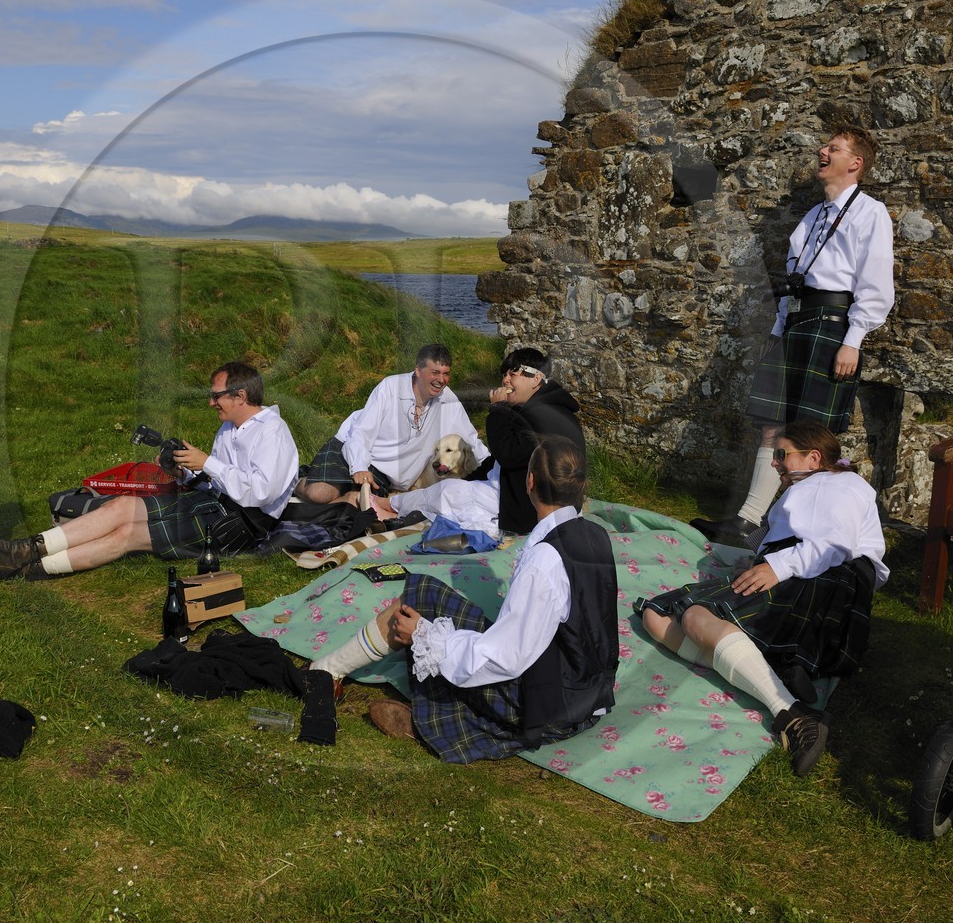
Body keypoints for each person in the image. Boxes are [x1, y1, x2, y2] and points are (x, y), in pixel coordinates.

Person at [312, 436, 617, 762]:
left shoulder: (545, 560)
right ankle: (417, 710)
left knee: (423, 597)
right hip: (588, 693)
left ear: (530, 481)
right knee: (441, 611)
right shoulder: (595, 534)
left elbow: (507, 657)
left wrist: (424, 636)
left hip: (546, 706)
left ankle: (324, 673)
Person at [641, 419, 889, 777]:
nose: (774, 463)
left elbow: (834, 545)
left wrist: (778, 568)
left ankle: (790, 712)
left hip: (823, 582)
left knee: (692, 618)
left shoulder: (837, 484)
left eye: (781, 454)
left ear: (813, 458)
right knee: (657, 617)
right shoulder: (815, 486)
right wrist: (763, 560)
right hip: (803, 574)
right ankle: (768, 671)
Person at [693, 123, 894, 546]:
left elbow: (876, 285)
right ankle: (748, 521)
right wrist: (780, 326)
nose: (823, 151)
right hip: (797, 323)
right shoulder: (813, 216)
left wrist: (853, 340)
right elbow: (793, 277)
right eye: (825, 146)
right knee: (772, 426)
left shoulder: (870, 212)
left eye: (833, 148)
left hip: (833, 324)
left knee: (810, 436)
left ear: (855, 164)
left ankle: (798, 528)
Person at [0, 362, 298, 579]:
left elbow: (261, 493)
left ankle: (29, 571)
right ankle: (18, 551)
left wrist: (207, 463)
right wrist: (185, 472)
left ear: (240, 396)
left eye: (216, 397)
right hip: (215, 504)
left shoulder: (272, 431)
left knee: (126, 536)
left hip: (241, 525)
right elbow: (219, 479)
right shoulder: (229, 428)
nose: (211, 403)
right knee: (122, 505)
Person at [377, 346, 584, 537]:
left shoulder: (541, 415)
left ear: (536, 379)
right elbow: (510, 456)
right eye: (504, 374)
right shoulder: (547, 408)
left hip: (532, 506)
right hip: (539, 496)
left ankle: (390, 505)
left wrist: (498, 410)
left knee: (448, 493)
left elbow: (508, 454)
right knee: (457, 489)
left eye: (513, 374)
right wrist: (471, 476)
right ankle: (400, 509)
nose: (505, 380)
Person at [296, 342, 486, 505]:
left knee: (356, 502)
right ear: (418, 370)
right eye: (435, 372)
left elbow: (469, 440)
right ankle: (295, 481)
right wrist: (359, 467)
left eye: (446, 374)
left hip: (383, 473)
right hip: (353, 449)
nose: (441, 380)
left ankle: (339, 499)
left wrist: (493, 468)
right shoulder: (390, 388)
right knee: (319, 494)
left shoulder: (446, 399)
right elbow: (362, 433)